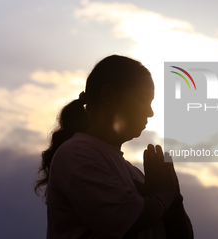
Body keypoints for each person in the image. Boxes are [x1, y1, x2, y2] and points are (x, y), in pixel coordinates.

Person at [34, 55, 193, 239]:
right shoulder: (76, 152)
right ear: (108, 95)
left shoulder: (133, 174)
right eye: (143, 99)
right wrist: (163, 195)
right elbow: (126, 219)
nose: (150, 112)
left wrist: (175, 200)